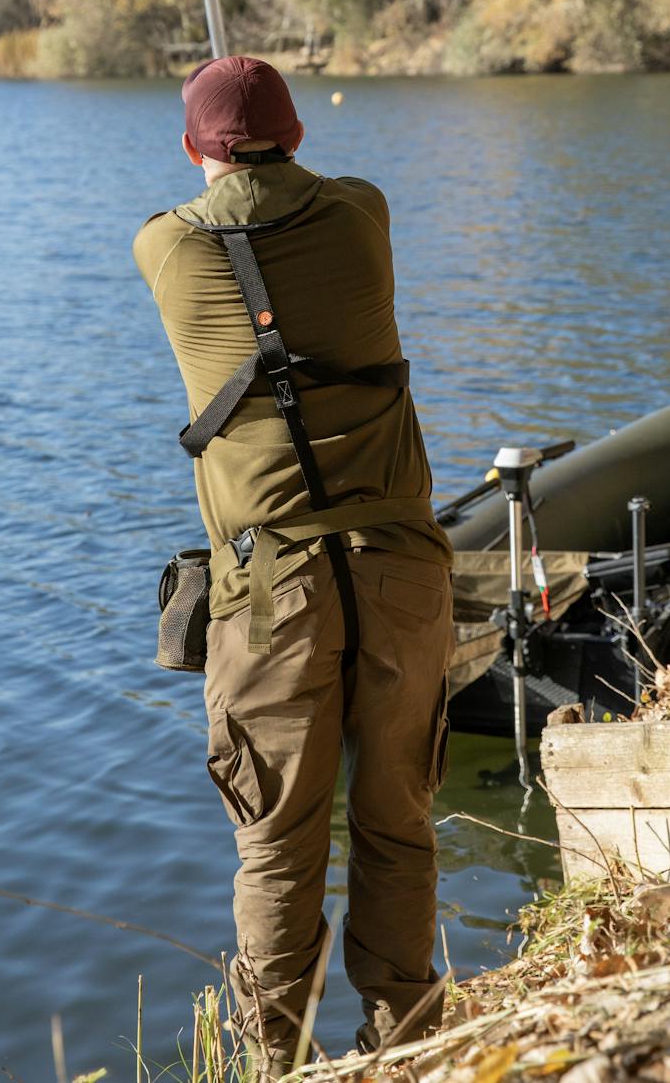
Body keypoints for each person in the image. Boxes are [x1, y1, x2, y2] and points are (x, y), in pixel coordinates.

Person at [133, 55, 454, 1076]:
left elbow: (190, 213)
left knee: (277, 849)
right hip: (400, 573)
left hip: (272, 595)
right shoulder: (365, 215)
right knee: (399, 823)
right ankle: (405, 1041)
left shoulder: (170, 250)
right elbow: (314, 194)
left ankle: (275, 1064)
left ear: (193, 148)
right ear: (299, 134)